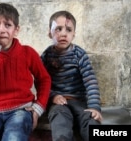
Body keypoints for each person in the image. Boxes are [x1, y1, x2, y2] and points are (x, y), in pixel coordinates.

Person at [0, 3, 51, 141]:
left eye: (7, 25)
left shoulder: (27, 52)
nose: (2, 30)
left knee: (14, 137)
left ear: (16, 30)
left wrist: (38, 107)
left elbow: (44, 79)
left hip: (21, 109)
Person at [40, 10, 103, 141]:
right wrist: (53, 96)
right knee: (60, 120)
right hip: (58, 102)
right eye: (58, 29)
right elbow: (41, 82)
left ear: (73, 34)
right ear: (49, 32)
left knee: (89, 118)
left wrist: (94, 107)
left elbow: (90, 82)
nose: (63, 33)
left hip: (79, 100)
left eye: (68, 30)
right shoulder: (46, 56)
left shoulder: (79, 55)